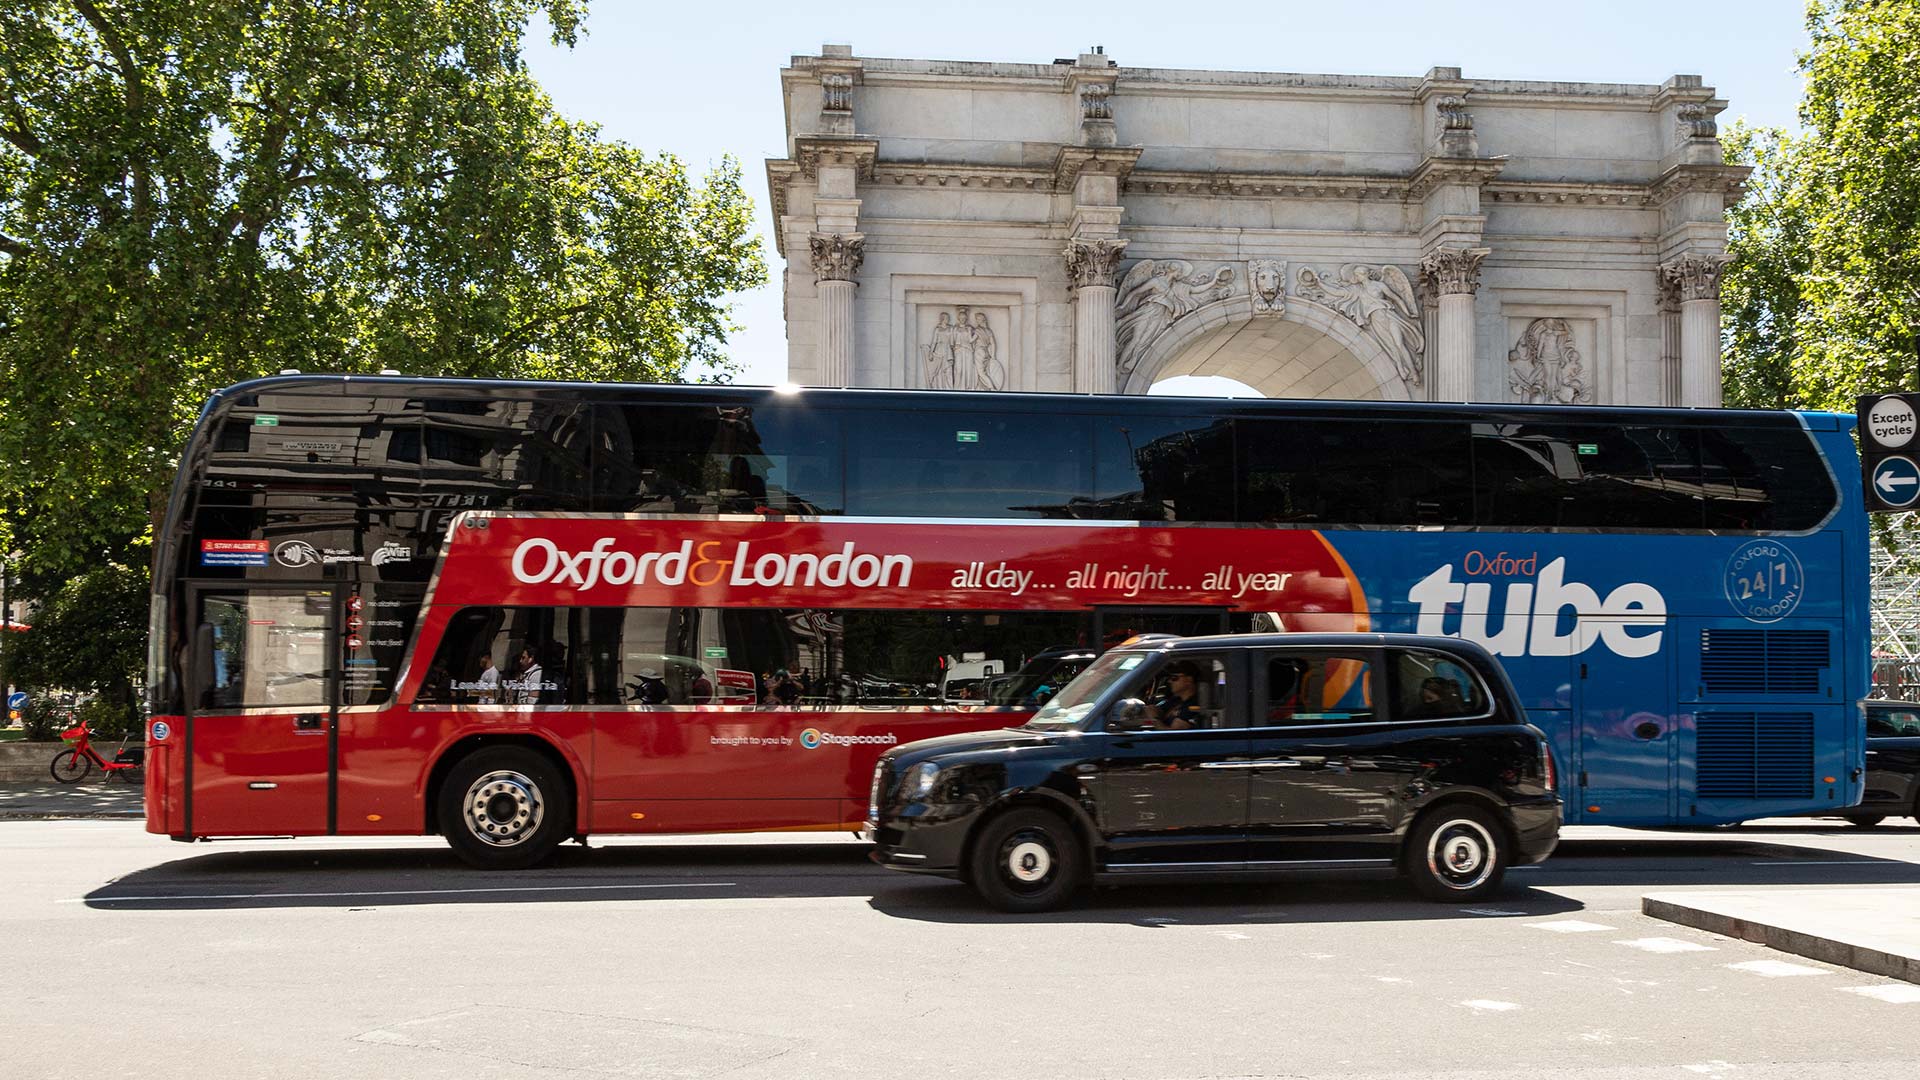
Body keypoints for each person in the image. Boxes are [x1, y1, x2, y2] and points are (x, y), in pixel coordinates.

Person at [1149, 660, 1206, 730]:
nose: (1169, 681)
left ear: (1189, 680)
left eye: (1174, 678)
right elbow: (1155, 710)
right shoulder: (1176, 700)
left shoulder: (1194, 705)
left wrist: (1155, 719)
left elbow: (1171, 734)